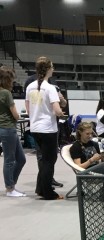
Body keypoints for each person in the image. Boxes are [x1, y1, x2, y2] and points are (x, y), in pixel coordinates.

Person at [25, 56, 65, 200]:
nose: (53, 69)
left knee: (43, 160)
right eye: (52, 67)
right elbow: (56, 110)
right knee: (49, 160)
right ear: (48, 69)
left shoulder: (30, 86)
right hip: (48, 128)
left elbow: (28, 108)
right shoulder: (50, 88)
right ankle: (48, 192)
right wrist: (62, 113)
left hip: (35, 127)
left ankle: (40, 188)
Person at [69, 121, 104, 200]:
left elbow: (100, 161)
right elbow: (78, 167)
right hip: (86, 171)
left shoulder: (94, 144)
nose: (90, 136)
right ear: (80, 133)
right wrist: (91, 160)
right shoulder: (76, 147)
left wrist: (101, 158)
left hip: (97, 167)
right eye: (87, 134)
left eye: (91, 133)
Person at [0, 66, 27, 197]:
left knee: (21, 159)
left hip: (5, 128)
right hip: (8, 128)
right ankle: (10, 188)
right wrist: (20, 117)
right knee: (10, 159)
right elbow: (15, 114)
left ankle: (11, 184)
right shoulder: (6, 93)